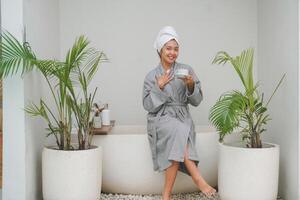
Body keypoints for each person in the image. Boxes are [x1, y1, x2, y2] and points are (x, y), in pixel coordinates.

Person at [142, 26, 216, 200]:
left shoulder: (187, 70)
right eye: (168, 48)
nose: (172, 53)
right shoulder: (151, 75)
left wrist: (191, 85)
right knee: (176, 131)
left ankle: (166, 195)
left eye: (176, 49)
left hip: (182, 115)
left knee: (177, 135)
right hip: (161, 117)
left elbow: (197, 101)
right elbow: (147, 105)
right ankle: (198, 180)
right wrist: (158, 86)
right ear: (160, 50)